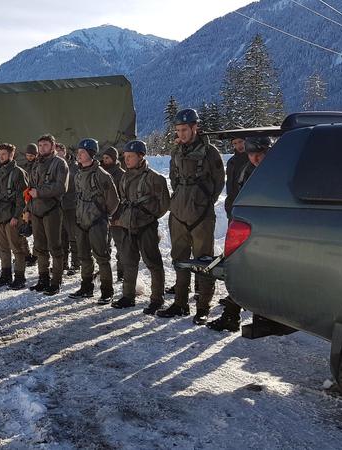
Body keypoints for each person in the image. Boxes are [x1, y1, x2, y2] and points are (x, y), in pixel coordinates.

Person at [157, 109, 225, 325]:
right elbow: (175, 179)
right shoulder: (176, 152)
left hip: (201, 213)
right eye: (178, 130)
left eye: (185, 129)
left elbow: (218, 181)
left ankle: (203, 306)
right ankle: (180, 302)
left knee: (203, 260)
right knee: (180, 259)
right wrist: (181, 200)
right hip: (178, 211)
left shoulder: (210, 152)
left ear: (195, 127)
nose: (181, 134)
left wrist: (203, 202)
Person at [207, 136, 272, 331]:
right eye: (252, 154)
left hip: (269, 229)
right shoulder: (247, 170)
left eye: (260, 154)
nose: (255, 158)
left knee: (259, 272)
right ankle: (234, 314)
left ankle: (253, 314)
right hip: (250, 226)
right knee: (246, 270)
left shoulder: (275, 171)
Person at [113, 140, 170, 313]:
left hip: (146, 226)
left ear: (141, 156)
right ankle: (128, 296)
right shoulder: (125, 176)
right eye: (125, 157)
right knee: (129, 262)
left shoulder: (154, 178)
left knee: (153, 263)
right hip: (128, 226)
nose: (127, 160)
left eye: (130, 157)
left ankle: (157, 299)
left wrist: (150, 216)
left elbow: (164, 203)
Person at [68, 138, 119, 303]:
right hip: (81, 222)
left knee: (102, 258)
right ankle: (86, 287)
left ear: (90, 153)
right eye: (78, 152)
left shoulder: (102, 175)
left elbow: (114, 200)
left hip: (97, 222)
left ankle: (107, 291)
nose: (79, 155)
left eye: (82, 152)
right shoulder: (78, 173)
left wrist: (102, 215)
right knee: (84, 257)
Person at [26, 134, 69, 295]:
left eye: (45, 145)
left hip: (52, 210)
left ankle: (56, 281)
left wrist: (40, 192)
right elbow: (30, 189)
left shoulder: (59, 163)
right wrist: (28, 210)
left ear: (53, 146)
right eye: (40, 145)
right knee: (39, 247)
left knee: (55, 247)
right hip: (36, 211)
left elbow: (61, 187)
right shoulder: (36, 164)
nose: (42, 148)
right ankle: (43, 279)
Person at [0, 143, 29, 289]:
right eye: (0, 154)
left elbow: (23, 197)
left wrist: (16, 216)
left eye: (4, 154)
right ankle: (5, 275)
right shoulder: (0, 171)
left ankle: (20, 277)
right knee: (2, 248)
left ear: (11, 155)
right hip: (0, 214)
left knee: (17, 248)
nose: (1, 157)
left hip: (13, 215)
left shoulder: (18, 172)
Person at [101, 146, 126, 282]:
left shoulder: (121, 174)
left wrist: (119, 216)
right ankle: (105, 272)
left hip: (117, 215)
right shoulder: (101, 172)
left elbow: (123, 197)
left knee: (120, 246)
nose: (105, 160)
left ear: (114, 158)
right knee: (104, 246)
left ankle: (121, 273)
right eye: (104, 158)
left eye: (108, 158)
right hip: (103, 215)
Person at [56, 143, 79, 276]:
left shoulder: (74, 167)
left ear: (64, 152)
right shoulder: (54, 166)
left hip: (71, 206)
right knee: (61, 237)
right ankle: (63, 263)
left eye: (60, 151)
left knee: (73, 236)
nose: (58, 153)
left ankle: (76, 264)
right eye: (56, 151)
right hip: (58, 207)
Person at [20, 143, 39, 267]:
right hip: (25, 201)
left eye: (32, 155)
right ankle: (26, 254)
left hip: (36, 202)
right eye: (28, 155)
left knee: (37, 232)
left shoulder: (39, 166)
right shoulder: (25, 167)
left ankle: (36, 255)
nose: (29, 157)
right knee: (24, 229)